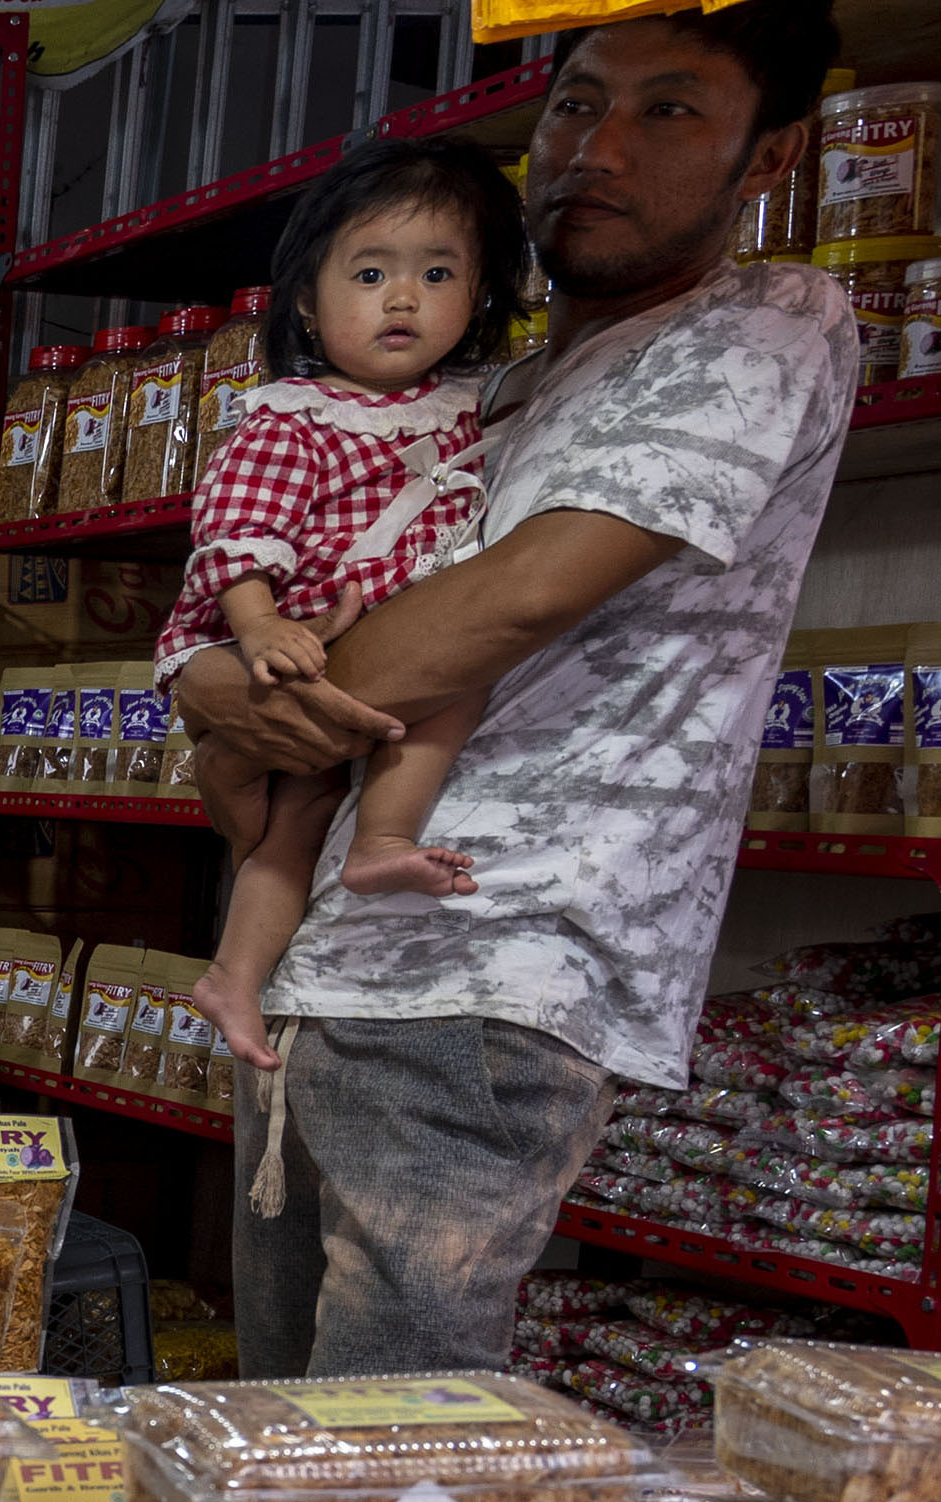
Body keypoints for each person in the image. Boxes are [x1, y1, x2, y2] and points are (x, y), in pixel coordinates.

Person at [170, 0, 854, 1377]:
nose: (595, 147)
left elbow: (522, 592)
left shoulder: (761, 322)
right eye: (572, 105)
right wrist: (208, 692)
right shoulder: (493, 388)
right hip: (327, 975)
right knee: (281, 1442)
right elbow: (285, 589)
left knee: (392, 1456)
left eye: (667, 110)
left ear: (768, 158)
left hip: (495, 963)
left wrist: (247, 717)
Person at [166, 137, 534, 1073]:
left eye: (437, 273)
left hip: (397, 636)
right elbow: (236, 531)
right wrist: (256, 625)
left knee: (451, 693)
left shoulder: (474, 405)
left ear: (480, 294)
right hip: (293, 634)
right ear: (305, 299)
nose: (402, 298)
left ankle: (380, 841)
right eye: (370, 273)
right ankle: (236, 975)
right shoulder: (292, 415)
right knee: (292, 819)